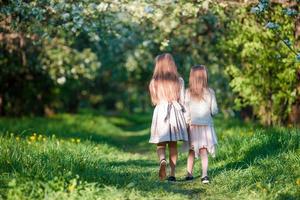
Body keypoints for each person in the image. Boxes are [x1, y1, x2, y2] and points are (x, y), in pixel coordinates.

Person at [149, 53, 188, 182]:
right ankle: (172, 174)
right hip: (175, 113)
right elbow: (182, 101)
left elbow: (154, 101)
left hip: (160, 112)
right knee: (173, 145)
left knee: (160, 144)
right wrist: (187, 119)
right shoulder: (179, 80)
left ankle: (162, 160)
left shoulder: (154, 82)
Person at [184, 65, 218, 184]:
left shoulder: (187, 92)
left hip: (192, 125)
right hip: (206, 126)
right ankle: (204, 175)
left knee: (191, 150)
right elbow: (214, 110)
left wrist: (187, 122)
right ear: (205, 77)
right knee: (204, 150)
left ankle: (189, 174)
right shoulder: (210, 92)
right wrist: (211, 114)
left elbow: (186, 110)